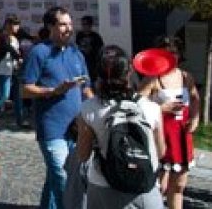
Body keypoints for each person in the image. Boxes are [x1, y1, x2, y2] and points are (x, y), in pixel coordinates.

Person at [22, 6, 93, 209]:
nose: (68, 28)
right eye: (63, 24)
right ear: (50, 26)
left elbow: (86, 88)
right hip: (52, 128)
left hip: (76, 128)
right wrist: (54, 91)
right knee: (64, 179)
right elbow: (25, 90)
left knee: (55, 179)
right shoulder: (39, 52)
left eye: (70, 24)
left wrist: (99, 109)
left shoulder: (76, 53)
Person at [78, 45, 165, 208]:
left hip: (103, 186)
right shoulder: (151, 108)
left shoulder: (88, 108)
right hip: (144, 187)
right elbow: (161, 151)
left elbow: (83, 155)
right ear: (129, 73)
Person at [139, 36, 200, 209]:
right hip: (161, 139)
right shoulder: (152, 78)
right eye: (165, 52)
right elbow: (136, 105)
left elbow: (195, 98)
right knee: (160, 187)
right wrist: (161, 107)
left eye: (174, 52)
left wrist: (195, 118)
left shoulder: (186, 76)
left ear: (180, 54)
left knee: (179, 186)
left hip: (182, 136)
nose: (170, 56)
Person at [0, 15, 22, 121]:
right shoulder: (3, 36)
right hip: (2, 68)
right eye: (16, 25)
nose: (18, 28)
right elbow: (7, 48)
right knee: (5, 95)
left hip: (10, 69)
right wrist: (18, 57)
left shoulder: (13, 37)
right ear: (9, 25)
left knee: (3, 94)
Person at [75, 15, 104, 82]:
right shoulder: (79, 35)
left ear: (90, 25)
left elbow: (101, 50)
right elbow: (77, 47)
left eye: (86, 24)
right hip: (81, 64)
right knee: (81, 83)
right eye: (83, 24)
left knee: (92, 83)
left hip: (92, 65)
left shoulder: (96, 36)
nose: (84, 26)